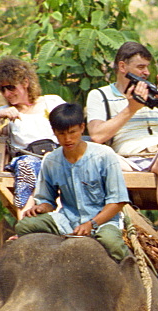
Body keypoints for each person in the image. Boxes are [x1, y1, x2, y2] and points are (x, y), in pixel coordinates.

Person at [86, 42, 158, 257]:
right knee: (101, 160)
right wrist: (131, 108)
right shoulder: (99, 95)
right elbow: (98, 135)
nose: (146, 72)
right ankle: (106, 224)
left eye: (147, 67)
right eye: (140, 67)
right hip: (126, 158)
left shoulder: (155, 95)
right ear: (122, 67)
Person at [15, 103, 130, 262]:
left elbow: (117, 201)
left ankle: (129, 274)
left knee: (112, 243)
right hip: (67, 221)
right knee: (24, 226)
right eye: (61, 134)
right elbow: (47, 200)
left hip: (103, 222)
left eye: (72, 132)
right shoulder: (51, 160)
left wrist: (91, 224)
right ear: (54, 132)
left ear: (82, 128)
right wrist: (40, 207)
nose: (67, 139)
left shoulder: (104, 156)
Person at [0, 57, 65, 211]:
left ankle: (64, 219)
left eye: (11, 87)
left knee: (60, 165)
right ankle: (24, 221)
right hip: (26, 160)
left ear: (25, 83)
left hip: (56, 157)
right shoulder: (3, 113)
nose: (7, 93)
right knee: (27, 165)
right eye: (2, 89)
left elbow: (69, 128)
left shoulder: (50, 102)